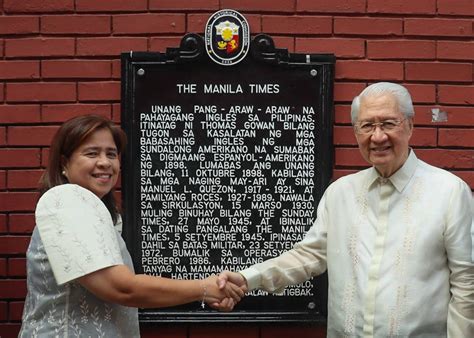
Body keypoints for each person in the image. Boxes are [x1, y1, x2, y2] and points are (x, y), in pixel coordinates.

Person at [216, 82, 474, 337]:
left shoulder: (449, 192)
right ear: (355, 132)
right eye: (367, 126)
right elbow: (308, 257)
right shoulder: (340, 194)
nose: (378, 136)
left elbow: (467, 282)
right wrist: (249, 278)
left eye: (388, 123)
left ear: (409, 125)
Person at [19, 115, 242, 337]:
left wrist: (216, 290)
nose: (105, 162)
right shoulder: (67, 201)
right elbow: (122, 288)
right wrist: (203, 289)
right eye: (92, 153)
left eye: (112, 154)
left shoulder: (98, 215)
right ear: (64, 163)